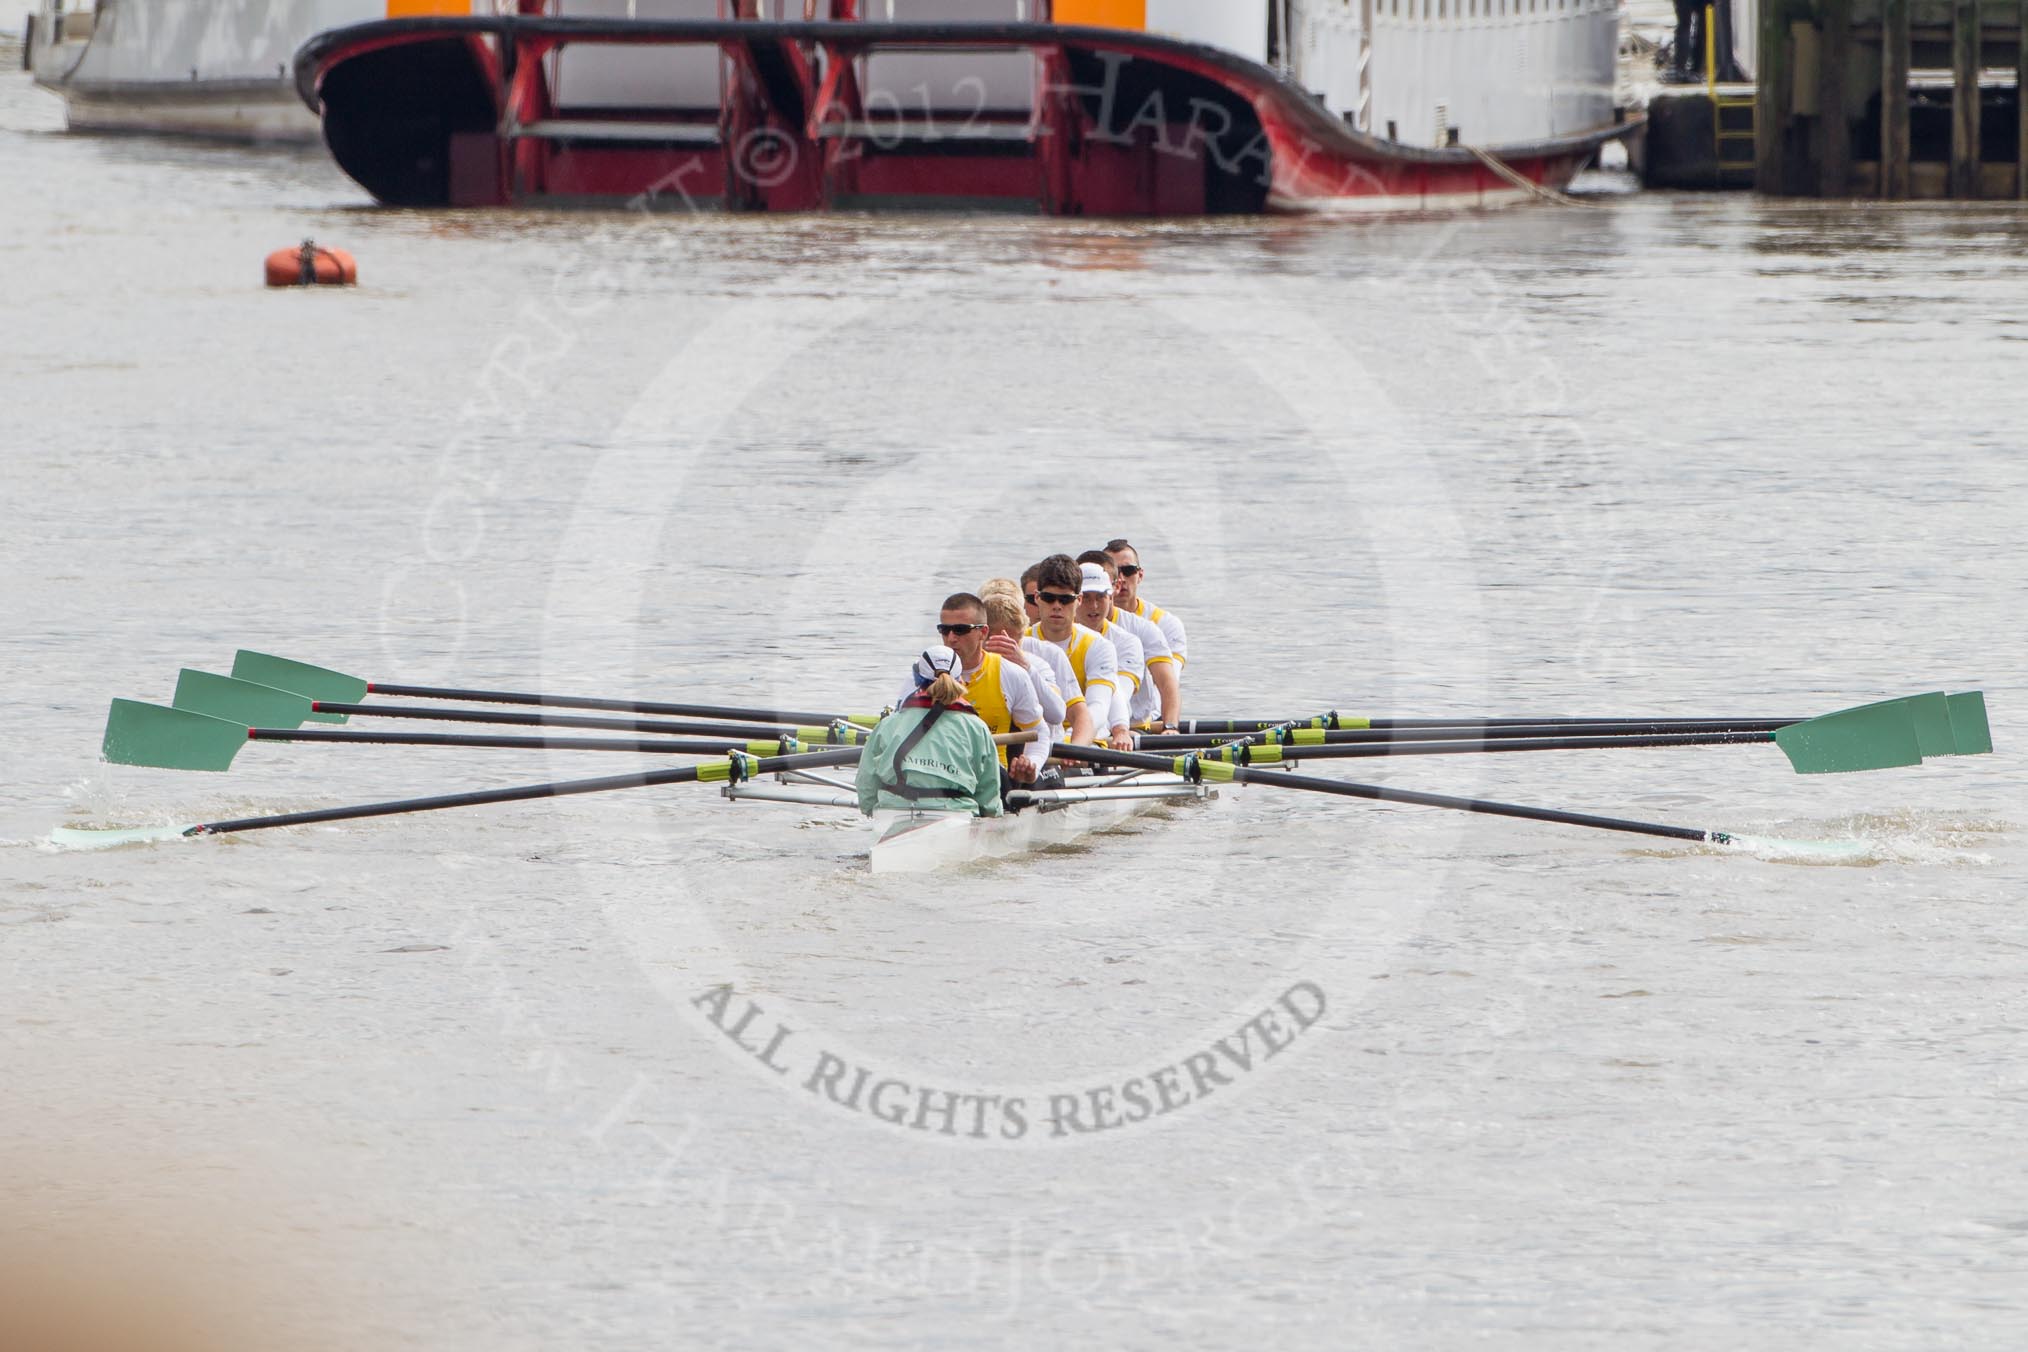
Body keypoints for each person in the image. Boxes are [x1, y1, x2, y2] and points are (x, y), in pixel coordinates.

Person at [895, 592, 1049, 784]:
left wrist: (1031, 765)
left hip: (991, 780)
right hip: (933, 776)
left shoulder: (1010, 674)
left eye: (960, 630)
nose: (951, 638)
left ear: (983, 632)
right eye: (944, 630)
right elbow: (897, 731)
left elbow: (1040, 732)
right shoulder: (921, 674)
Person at [857, 646, 1004, 818]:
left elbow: (866, 784)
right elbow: (989, 790)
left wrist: (871, 811)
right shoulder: (976, 727)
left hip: (894, 812)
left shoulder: (888, 724)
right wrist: (992, 817)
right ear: (960, 680)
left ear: (917, 679)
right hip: (956, 815)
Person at [1026, 553, 1131, 750]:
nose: (1057, 606)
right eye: (1049, 598)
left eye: (1065, 600)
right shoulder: (1023, 642)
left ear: (1078, 600)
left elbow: (1098, 708)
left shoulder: (1098, 646)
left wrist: (1072, 745)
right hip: (1037, 742)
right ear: (1038, 598)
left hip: (1086, 744)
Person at [981, 578, 1092, 748]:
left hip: (1045, 751)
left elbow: (1057, 714)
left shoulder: (1042, 659)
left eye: (1014, 639)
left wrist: (1025, 667)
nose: (1009, 647)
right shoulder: (963, 664)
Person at [1077, 548, 1178, 730]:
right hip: (1079, 729)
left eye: (1100, 595)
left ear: (1112, 588)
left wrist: (1171, 727)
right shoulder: (1055, 632)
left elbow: (1167, 684)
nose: (1093, 605)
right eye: (1086, 596)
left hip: (1133, 728)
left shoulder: (1139, 632)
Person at [1104, 538, 1188, 673]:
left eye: (1128, 570)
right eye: (1113, 572)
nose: (1121, 579)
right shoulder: (1086, 620)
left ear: (1140, 575)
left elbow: (1172, 678)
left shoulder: (1166, 623)